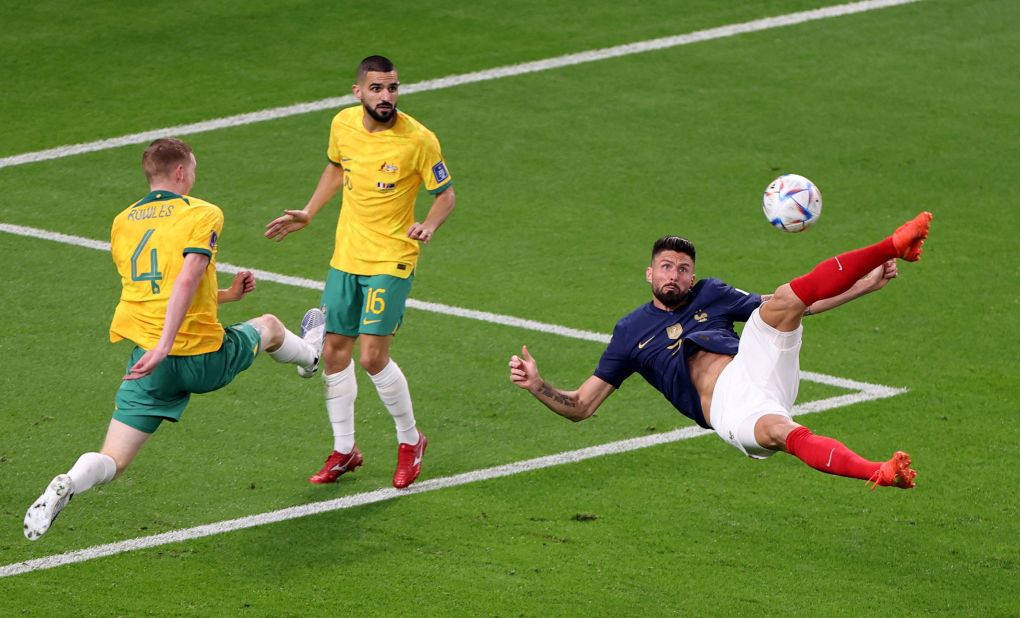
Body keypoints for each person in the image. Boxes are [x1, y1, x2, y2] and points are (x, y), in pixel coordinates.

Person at [24, 138, 325, 540]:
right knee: (269, 325)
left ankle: (69, 482)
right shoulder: (203, 212)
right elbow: (186, 277)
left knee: (113, 458)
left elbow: (160, 289)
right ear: (181, 172)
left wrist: (228, 297)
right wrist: (170, 343)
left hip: (147, 364)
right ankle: (311, 357)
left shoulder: (122, 221)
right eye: (194, 169)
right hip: (201, 358)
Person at [509, 212, 934, 489]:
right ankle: (878, 471)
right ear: (649, 273)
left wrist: (864, 285)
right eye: (666, 267)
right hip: (731, 409)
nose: (674, 275)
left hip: (754, 363)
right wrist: (537, 385)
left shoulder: (712, 293)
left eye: (683, 268)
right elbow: (582, 405)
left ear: (693, 276)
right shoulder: (629, 332)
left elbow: (800, 304)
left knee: (784, 299)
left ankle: (891, 245)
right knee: (782, 434)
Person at [264, 55, 456, 489]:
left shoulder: (419, 140)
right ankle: (345, 451)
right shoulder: (342, 125)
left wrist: (428, 224)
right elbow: (337, 167)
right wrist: (310, 212)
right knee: (334, 351)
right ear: (359, 92)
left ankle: (411, 442)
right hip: (347, 256)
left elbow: (445, 196)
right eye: (377, 89)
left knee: (372, 356)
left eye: (392, 88)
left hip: (393, 257)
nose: (386, 96)